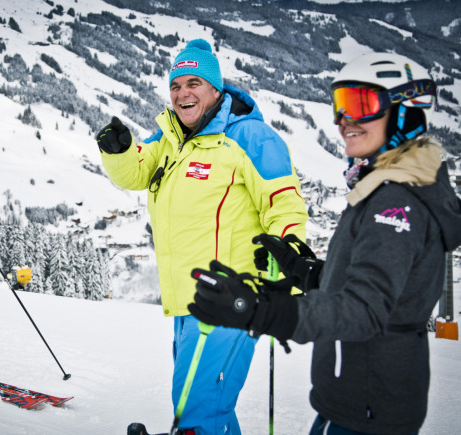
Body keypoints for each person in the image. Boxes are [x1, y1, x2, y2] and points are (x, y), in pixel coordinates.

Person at [188, 52, 461, 435]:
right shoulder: (390, 186)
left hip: (369, 408)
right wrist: (304, 271)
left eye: (360, 104)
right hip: (360, 400)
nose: (344, 120)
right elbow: (372, 286)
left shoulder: (396, 202)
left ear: (405, 112)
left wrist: (261, 311)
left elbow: (364, 310)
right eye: (340, 106)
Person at [96, 39, 308, 434]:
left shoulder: (250, 137)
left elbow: (285, 205)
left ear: (215, 89)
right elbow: (136, 173)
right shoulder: (171, 139)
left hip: (234, 299)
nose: (182, 93)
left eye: (194, 83)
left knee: (197, 410)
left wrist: (288, 267)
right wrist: (120, 151)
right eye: (176, 86)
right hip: (188, 300)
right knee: (211, 407)